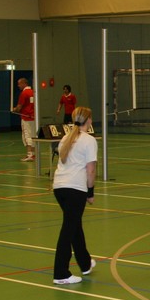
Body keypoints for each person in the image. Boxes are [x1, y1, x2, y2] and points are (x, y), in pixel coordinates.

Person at [51, 106, 98, 285]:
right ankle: (60, 273)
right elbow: (91, 170)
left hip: (59, 187)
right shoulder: (89, 140)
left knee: (75, 224)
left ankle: (85, 263)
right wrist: (90, 192)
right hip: (75, 189)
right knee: (69, 229)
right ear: (88, 120)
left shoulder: (66, 138)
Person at [12, 77, 36, 162]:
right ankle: (33, 154)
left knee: (27, 135)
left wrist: (14, 109)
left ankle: (29, 154)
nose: (18, 86)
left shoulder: (24, 93)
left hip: (26, 118)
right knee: (33, 135)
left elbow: (19, 107)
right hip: (33, 118)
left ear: (24, 83)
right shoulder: (33, 92)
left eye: (19, 84)